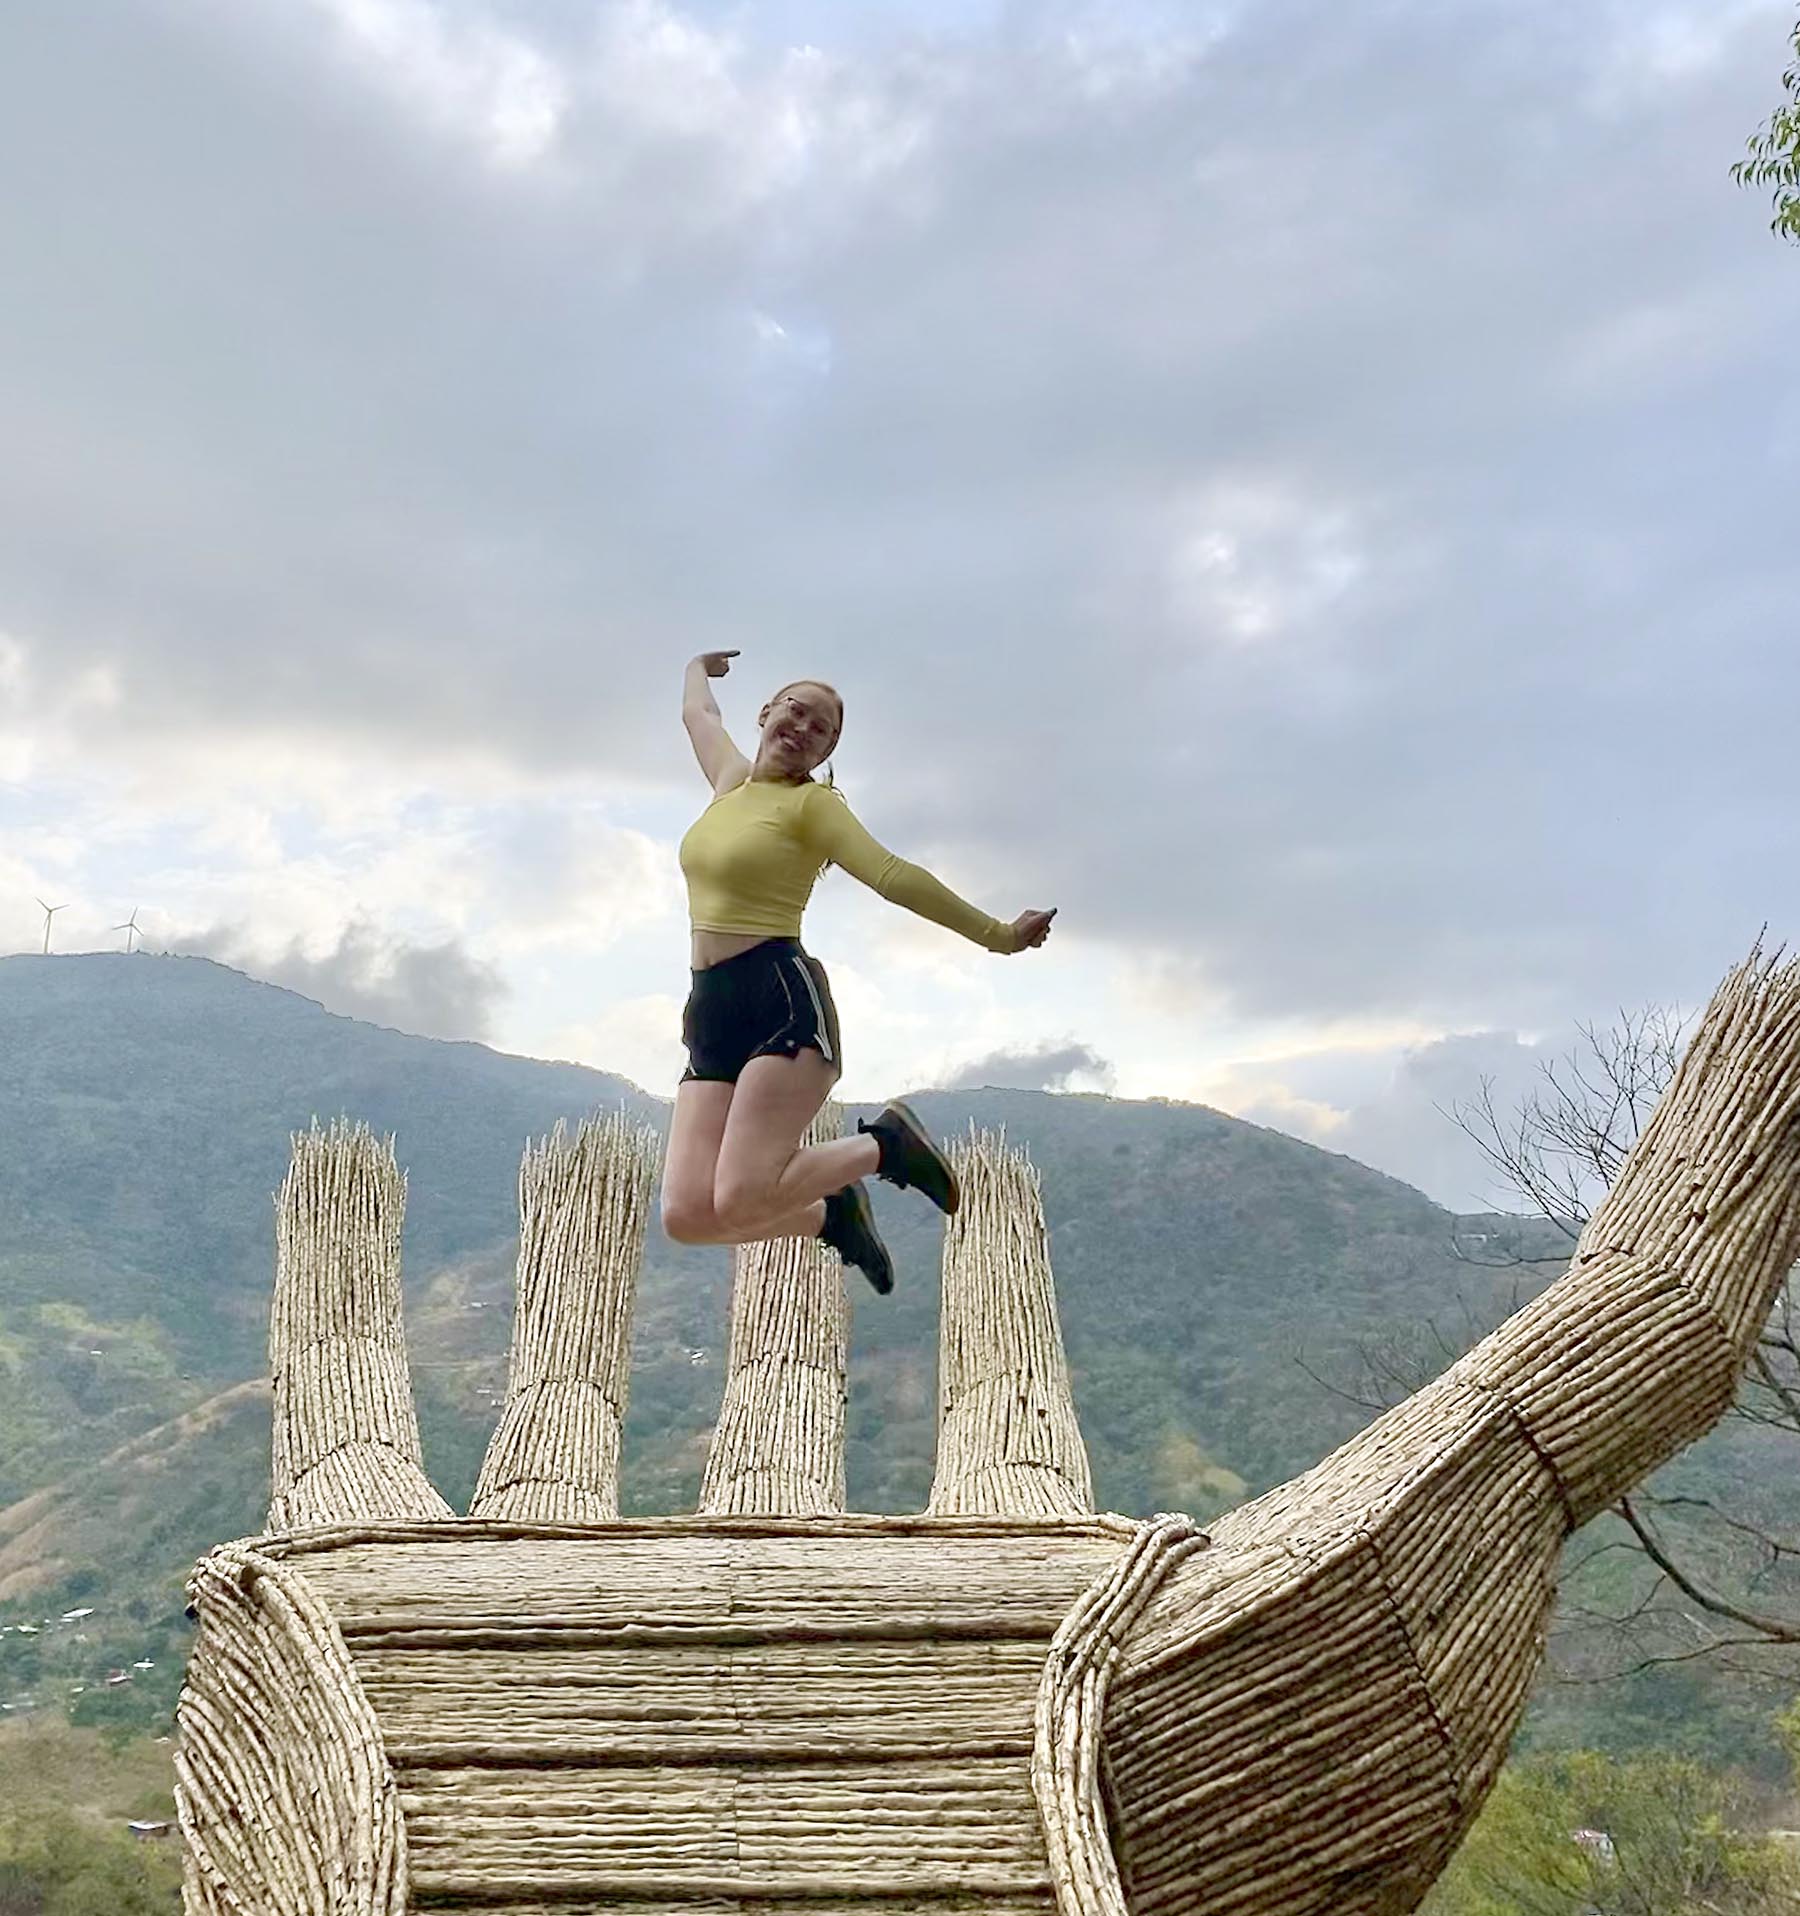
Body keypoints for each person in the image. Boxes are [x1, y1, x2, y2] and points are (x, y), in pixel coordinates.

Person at [660, 650, 1056, 1293]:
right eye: (796, 709)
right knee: (687, 1217)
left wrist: (999, 937)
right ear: (766, 713)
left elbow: (894, 876)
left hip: (778, 1000)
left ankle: (886, 1146)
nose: (805, 728)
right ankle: (832, 1216)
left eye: (823, 730)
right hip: (709, 1010)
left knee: (737, 1199)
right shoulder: (730, 782)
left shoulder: (814, 809)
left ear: (825, 753)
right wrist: (695, 666)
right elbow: (696, 713)